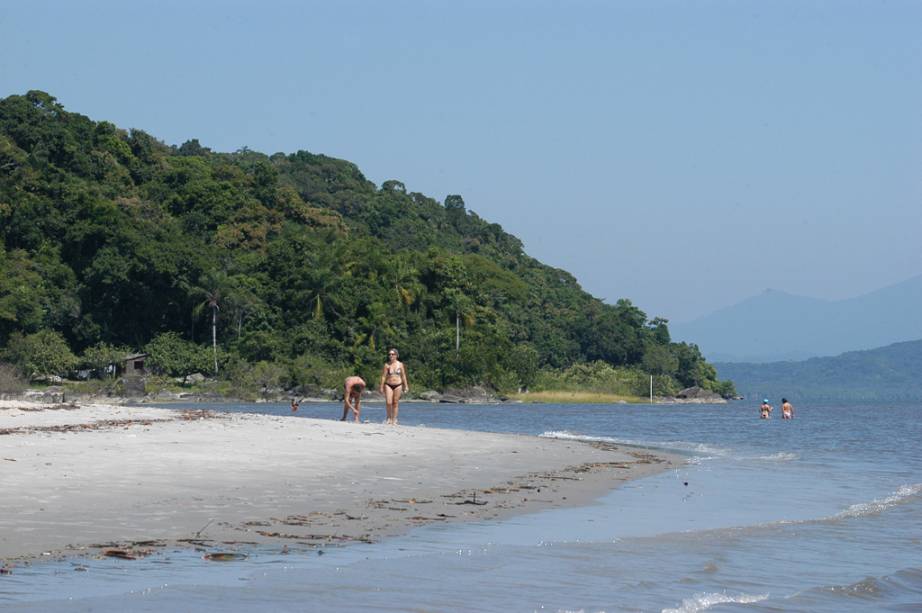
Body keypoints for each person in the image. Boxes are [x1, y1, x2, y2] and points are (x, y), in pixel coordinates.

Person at [379, 348, 408, 425]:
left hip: (398, 385)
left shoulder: (400, 364)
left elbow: (403, 375)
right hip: (388, 384)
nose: (390, 355)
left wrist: (406, 386)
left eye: (392, 354)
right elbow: (383, 377)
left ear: (396, 355)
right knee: (388, 402)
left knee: (395, 402)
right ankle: (388, 418)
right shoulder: (386, 365)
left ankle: (394, 419)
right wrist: (381, 387)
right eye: (389, 354)